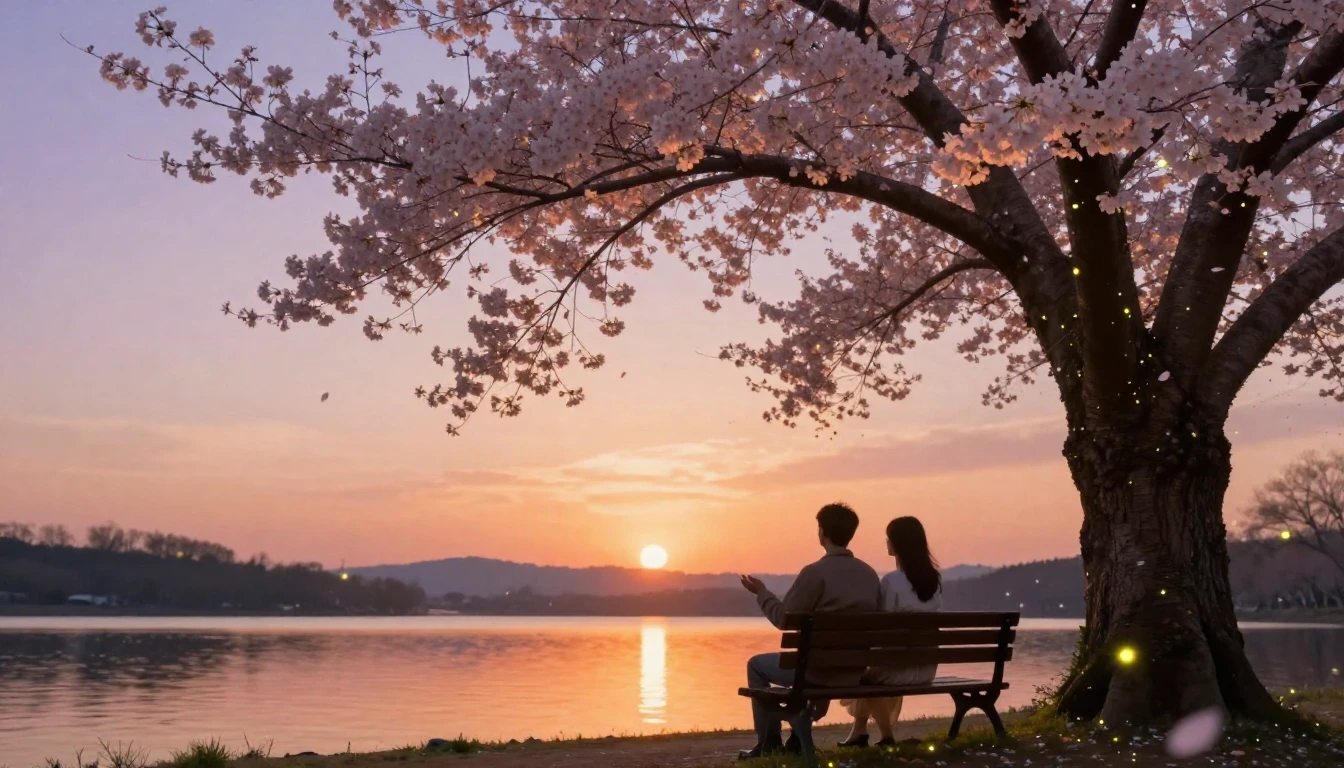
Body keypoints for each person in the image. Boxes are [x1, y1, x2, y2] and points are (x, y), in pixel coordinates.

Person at [737, 502, 882, 759]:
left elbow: (784, 619)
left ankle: (769, 742)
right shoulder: (869, 575)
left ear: (821, 532)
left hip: (818, 672)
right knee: (818, 659)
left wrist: (762, 593)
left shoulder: (815, 573)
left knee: (756, 665)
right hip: (852, 673)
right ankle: (795, 740)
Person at [836, 516, 943, 748]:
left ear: (899, 543)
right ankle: (860, 732)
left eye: (889, 538)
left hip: (898, 668)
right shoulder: (935, 580)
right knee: (880, 668)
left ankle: (886, 737)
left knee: (864, 678)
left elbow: (880, 629)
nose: (886, 542)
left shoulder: (892, 582)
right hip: (926, 670)